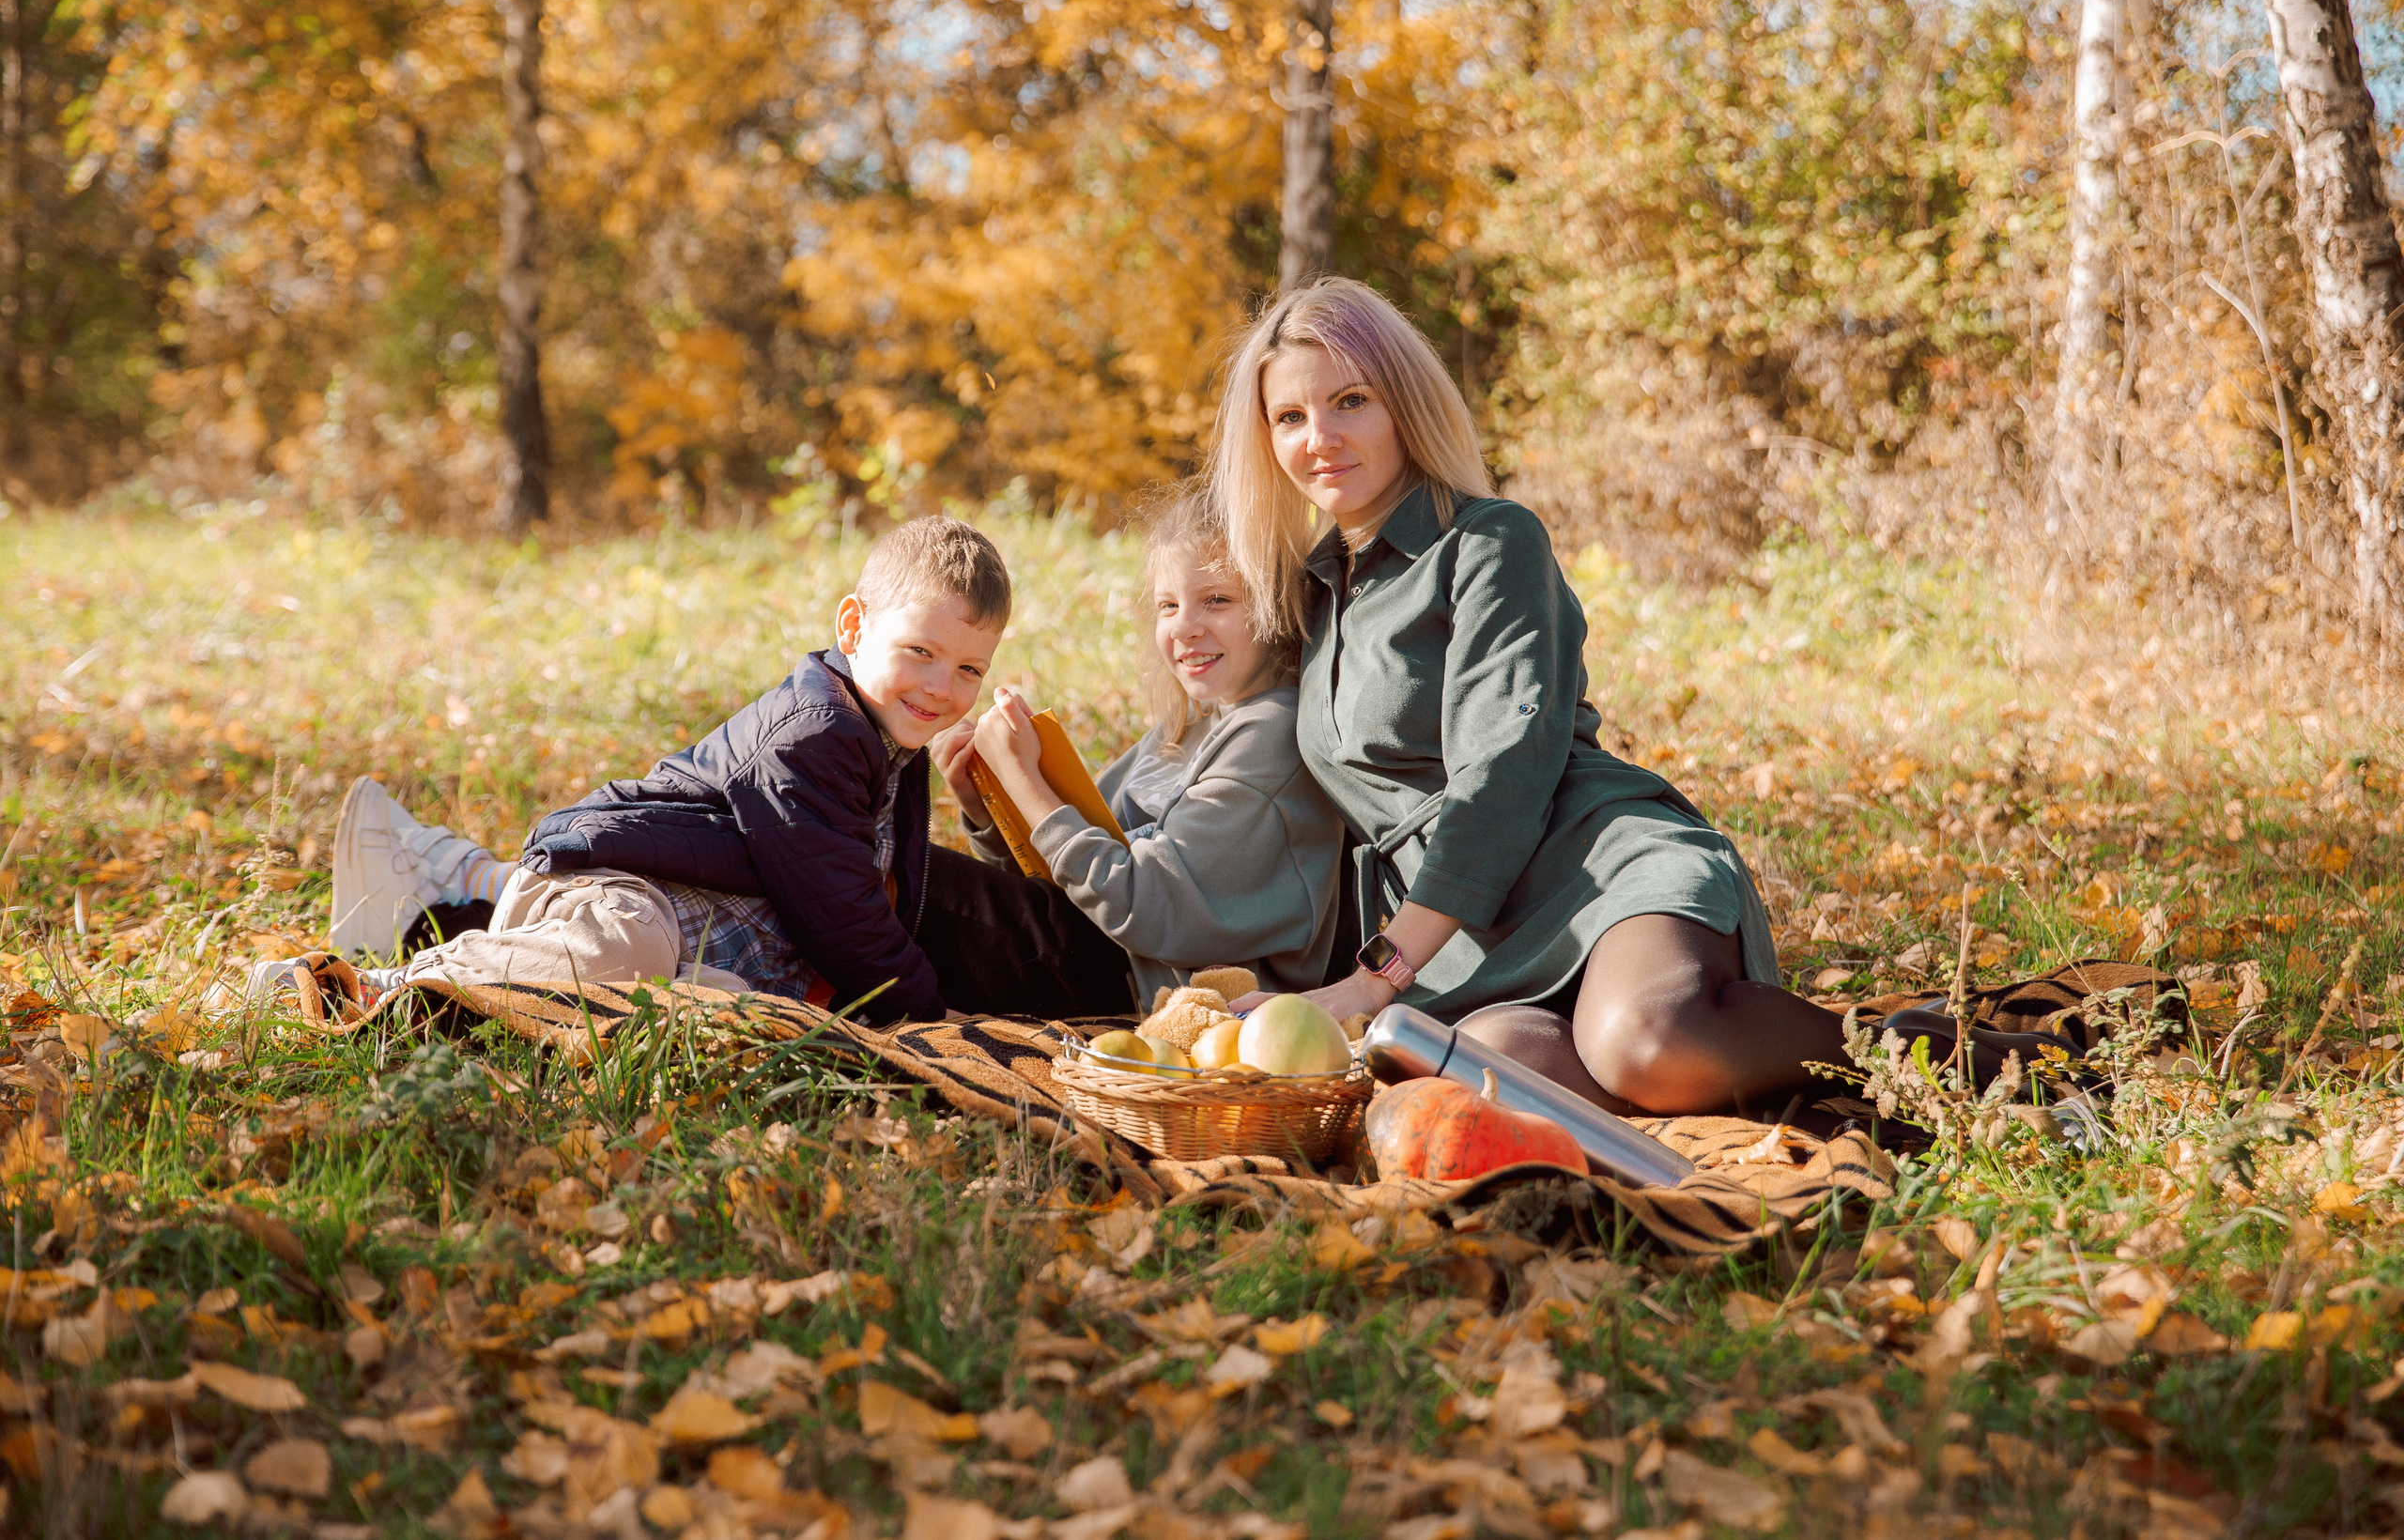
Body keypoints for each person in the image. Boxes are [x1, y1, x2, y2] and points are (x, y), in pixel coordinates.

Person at [1208, 278, 2059, 1115]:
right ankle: (1737, 1068)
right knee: (1486, 1072)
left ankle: (1976, 1062)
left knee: (1646, 1043)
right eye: (1290, 416)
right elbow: (1221, 733)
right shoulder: (1307, 594)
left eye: (1350, 400)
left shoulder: (1489, 542)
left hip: (1595, 868)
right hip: (1467, 947)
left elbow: (1502, 776)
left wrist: (1376, 976)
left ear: (1404, 402)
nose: (1320, 437)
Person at [257, 515, 1010, 1026]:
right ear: (853, 626)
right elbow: (842, 914)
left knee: (725, 1010)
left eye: (969, 668)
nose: (941, 687)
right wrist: (927, 1013)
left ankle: (456, 899)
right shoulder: (813, 733)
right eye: (920, 651)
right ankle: (372, 985)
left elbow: (882, 890)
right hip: (625, 889)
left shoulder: (894, 741)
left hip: (711, 947)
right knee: (630, 947)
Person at [914, 485, 1346, 1017]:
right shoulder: (1190, 724)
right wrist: (987, 805)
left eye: (1217, 599)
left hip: (1148, 987)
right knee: (902, 871)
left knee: (910, 878)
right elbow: (1068, 873)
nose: (1185, 626)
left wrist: (1023, 778)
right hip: (1095, 945)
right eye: (1168, 605)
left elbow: (1141, 905)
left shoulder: (1272, 734)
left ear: (1279, 603)